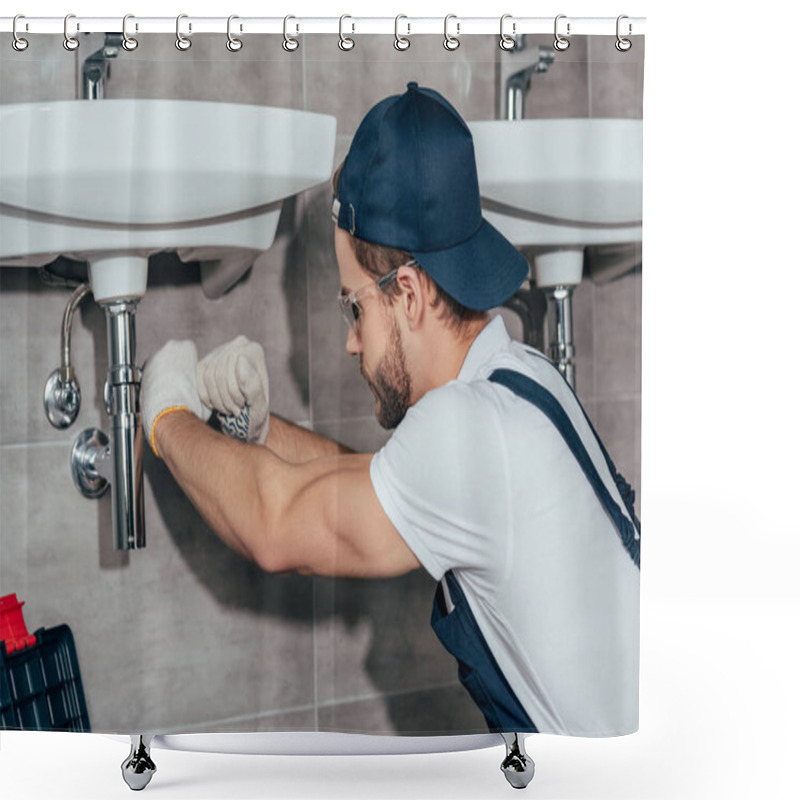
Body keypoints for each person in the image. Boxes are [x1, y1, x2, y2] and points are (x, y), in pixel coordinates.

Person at [141, 82, 641, 737]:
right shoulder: (522, 383)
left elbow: (276, 526)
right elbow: (379, 482)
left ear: (407, 293)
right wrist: (256, 432)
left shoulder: (467, 431)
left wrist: (168, 416)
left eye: (354, 306)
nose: (350, 339)